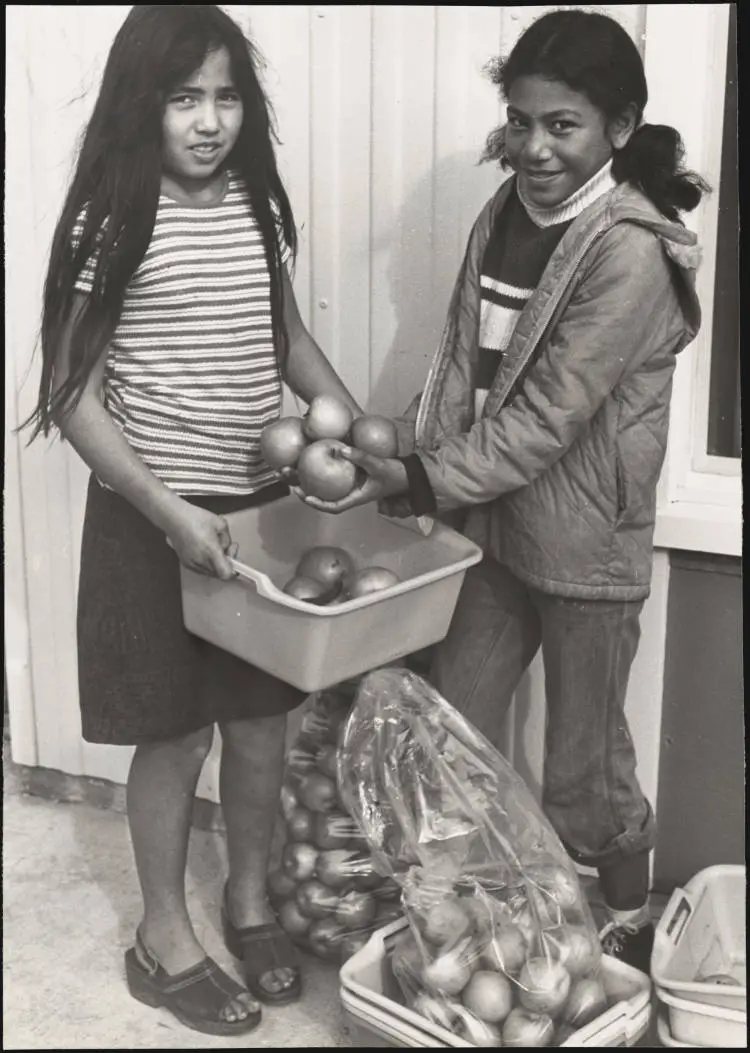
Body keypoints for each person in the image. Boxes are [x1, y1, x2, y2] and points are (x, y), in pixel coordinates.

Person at [297, 9, 709, 975]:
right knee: (454, 727)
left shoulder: (631, 250)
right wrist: (407, 449)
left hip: (583, 544)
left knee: (582, 769)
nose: (533, 147)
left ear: (618, 126)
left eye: (561, 125)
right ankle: (468, 919)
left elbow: (546, 417)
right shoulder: (505, 212)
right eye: (519, 121)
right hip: (492, 526)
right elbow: (463, 368)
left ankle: (625, 920)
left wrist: (426, 474)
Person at [22, 5, 362, 1037]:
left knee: (261, 726)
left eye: (225, 97)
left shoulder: (255, 204)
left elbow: (284, 332)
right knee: (171, 736)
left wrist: (347, 433)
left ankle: (248, 902)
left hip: (253, 516)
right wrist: (169, 513)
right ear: (143, 105)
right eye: (183, 98)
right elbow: (74, 397)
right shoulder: (111, 221)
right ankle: (161, 937)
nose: (208, 121)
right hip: (150, 519)